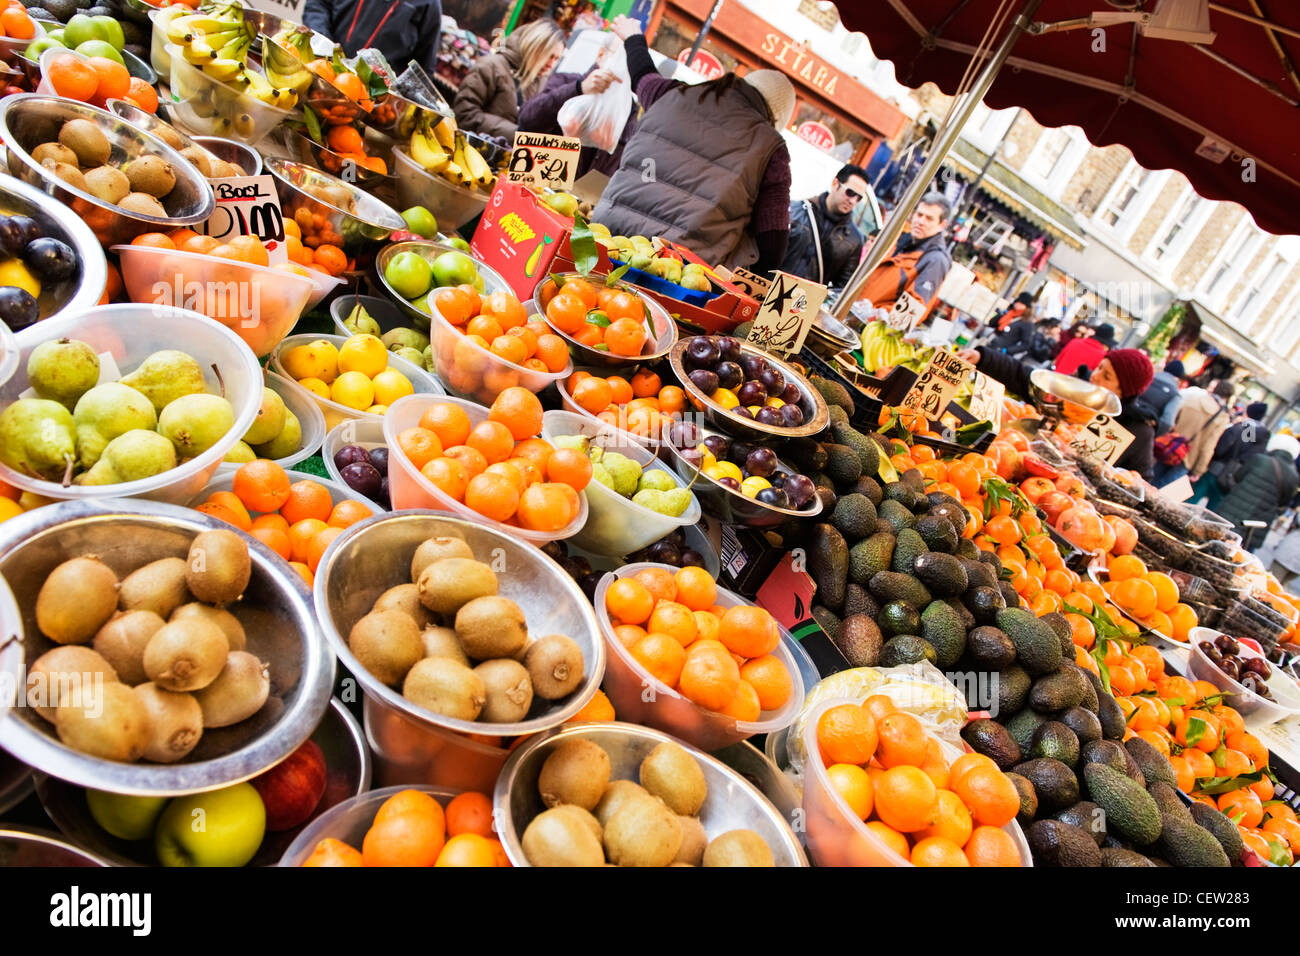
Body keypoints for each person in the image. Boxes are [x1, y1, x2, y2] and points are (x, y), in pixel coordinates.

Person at [591, 33, 795, 271]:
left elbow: (641, 74)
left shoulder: (671, 93)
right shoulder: (770, 148)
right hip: (672, 270)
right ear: (775, 117)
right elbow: (772, 243)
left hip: (603, 237)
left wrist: (634, 37)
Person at [959, 344, 1156, 478]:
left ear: (1125, 391)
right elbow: (1024, 378)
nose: (1095, 377)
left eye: (1107, 376)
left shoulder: (1137, 431)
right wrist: (984, 357)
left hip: (1073, 500)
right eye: (1099, 368)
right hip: (1015, 460)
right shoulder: (1078, 392)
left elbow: (1139, 481)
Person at [516, 19, 644, 179]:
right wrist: (579, 88)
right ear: (601, 55)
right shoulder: (567, 81)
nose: (622, 68)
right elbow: (527, 119)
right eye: (619, 58)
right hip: (542, 180)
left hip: (583, 197)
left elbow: (619, 161)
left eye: (628, 62)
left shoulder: (627, 110)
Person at [452, 19, 566, 140]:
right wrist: (516, 134)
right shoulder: (491, 66)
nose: (551, 65)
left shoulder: (542, 82)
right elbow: (464, 114)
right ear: (533, 46)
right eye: (549, 56)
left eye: (556, 59)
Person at [779, 164, 869, 292]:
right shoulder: (795, 211)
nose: (853, 201)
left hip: (803, 305)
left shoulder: (854, 240)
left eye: (859, 197)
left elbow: (841, 289)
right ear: (835, 184)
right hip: (770, 291)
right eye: (850, 193)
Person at [856, 193, 953, 311]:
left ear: (942, 225)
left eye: (929, 218)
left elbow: (912, 309)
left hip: (870, 325)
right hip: (856, 312)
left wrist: (873, 314)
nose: (921, 221)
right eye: (919, 214)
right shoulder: (902, 240)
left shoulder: (936, 259)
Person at [303, 0, 442, 75]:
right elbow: (318, 5)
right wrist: (323, 43)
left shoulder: (428, 4)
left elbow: (422, 69)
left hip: (370, 101)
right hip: (320, 68)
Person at [1215, 433, 1300, 550]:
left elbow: (1237, 477)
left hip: (1231, 513)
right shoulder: (1294, 476)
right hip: (1255, 526)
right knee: (1239, 558)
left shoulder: (1259, 459)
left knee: (1212, 545)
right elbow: (1283, 504)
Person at [1152, 379, 1233, 488]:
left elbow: (1172, 419)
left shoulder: (1193, 399)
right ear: (1228, 397)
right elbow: (1208, 446)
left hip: (1170, 447)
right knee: (1162, 493)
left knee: (1150, 480)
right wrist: (1198, 470)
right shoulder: (1222, 417)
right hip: (1188, 458)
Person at [1198, 401, 1270, 510]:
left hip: (1214, 471)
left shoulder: (1238, 428)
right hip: (1230, 479)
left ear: (1248, 412)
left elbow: (1219, 450)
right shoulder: (1263, 438)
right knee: (1212, 514)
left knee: (1190, 500)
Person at [1135, 358, 1184, 436]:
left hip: (1123, 416)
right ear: (1179, 377)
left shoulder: (1147, 377)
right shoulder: (1175, 395)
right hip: (1142, 429)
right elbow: (1167, 422)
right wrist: (1154, 434)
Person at [993, 316, 1058, 364]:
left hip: (1015, 354)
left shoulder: (1044, 335)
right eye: (1058, 327)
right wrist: (1051, 341)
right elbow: (1034, 348)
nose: (1059, 330)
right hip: (1025, 360)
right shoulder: (1039, 333)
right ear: (1052, 326)